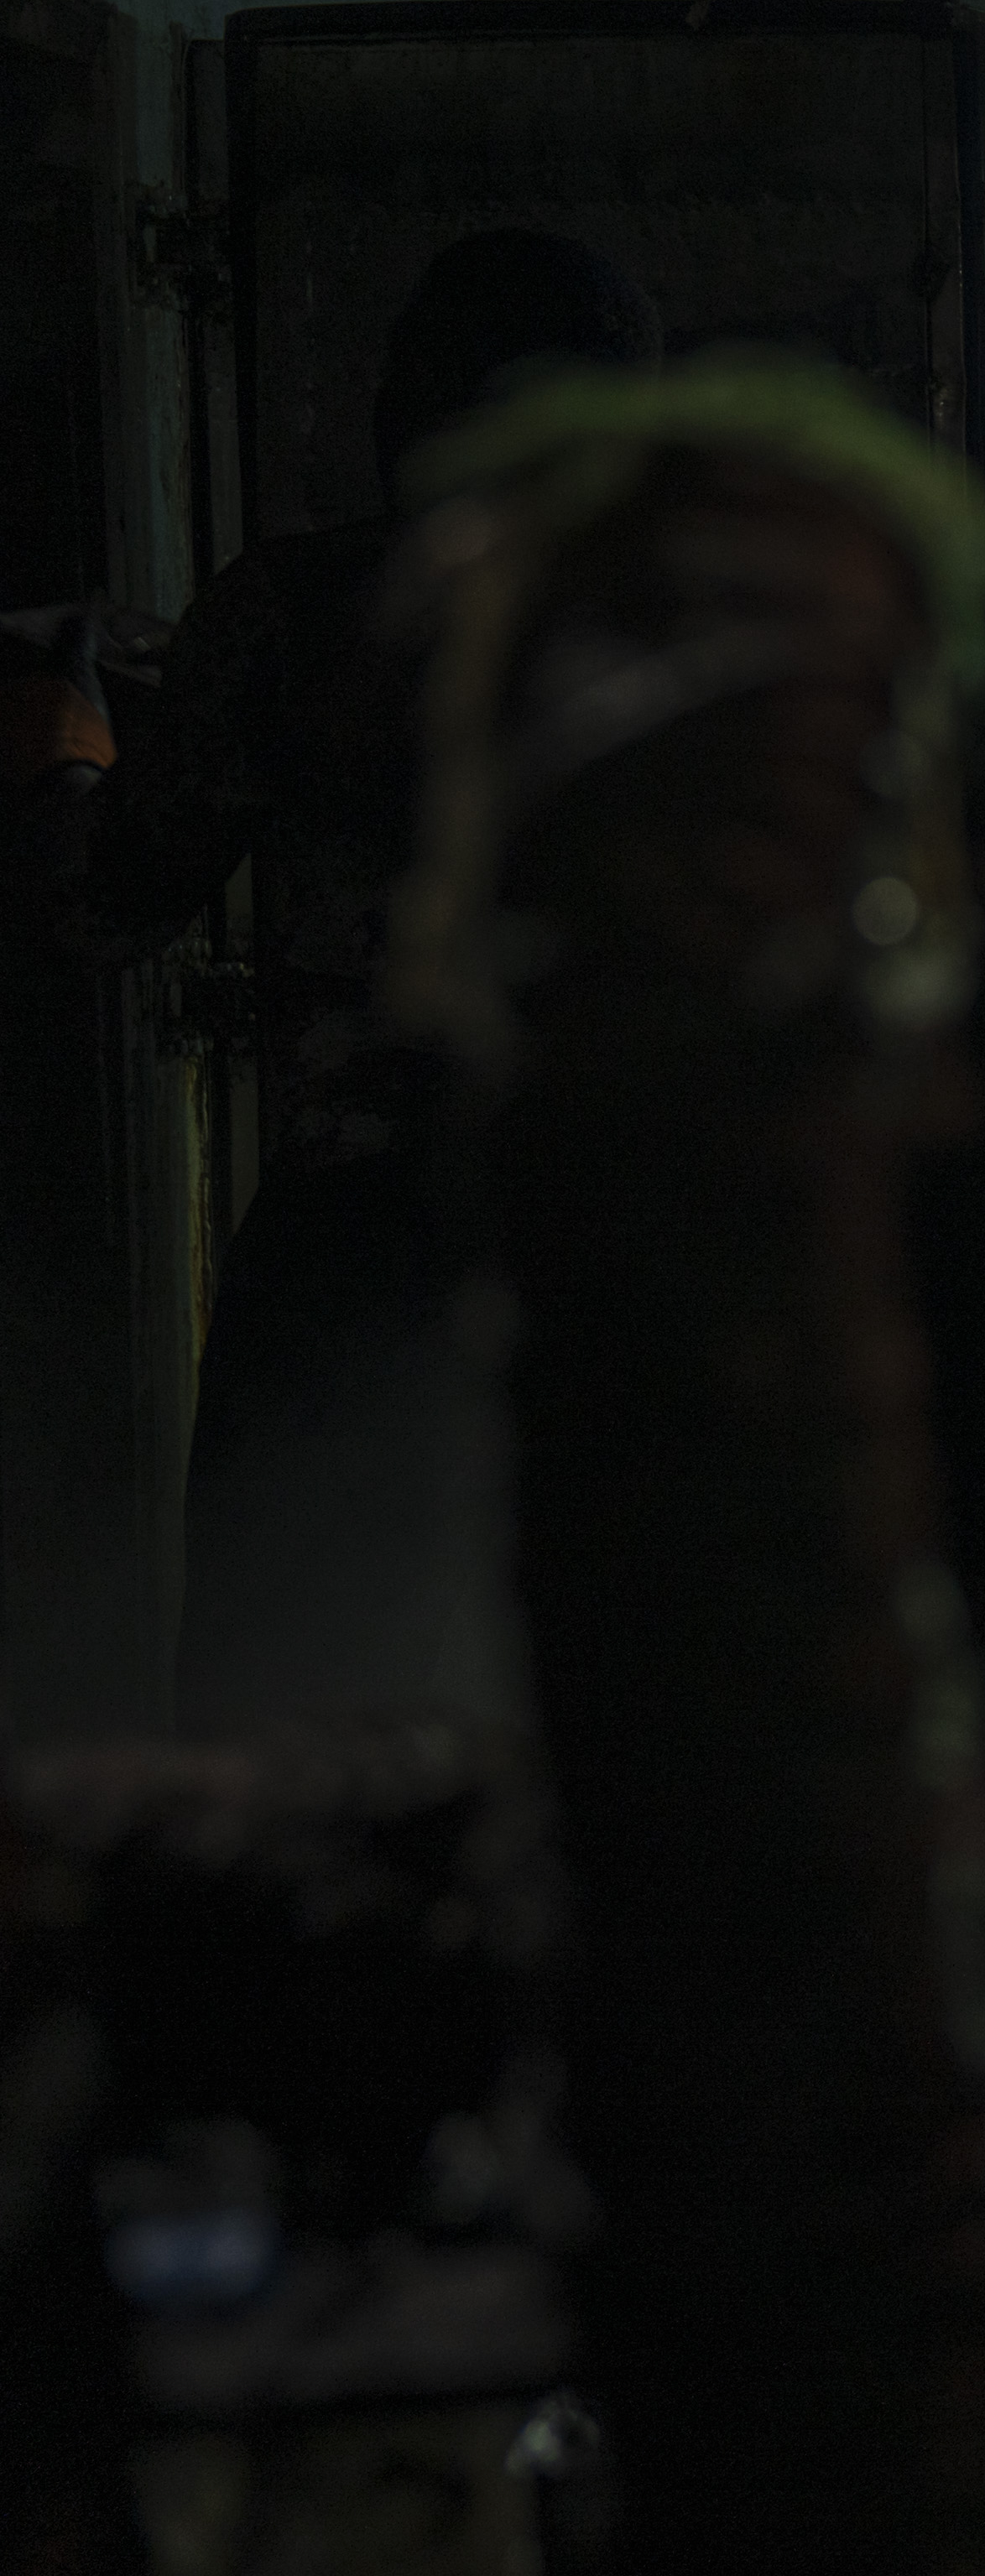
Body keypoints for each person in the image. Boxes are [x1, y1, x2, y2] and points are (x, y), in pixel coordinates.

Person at [2, 227, 659, 1726]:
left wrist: (64, 735)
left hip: (363, 1262)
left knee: (288, 1729)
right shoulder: (703, 626)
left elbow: (99, 907)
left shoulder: (299, 616)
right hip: (627, 1250)